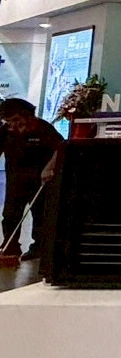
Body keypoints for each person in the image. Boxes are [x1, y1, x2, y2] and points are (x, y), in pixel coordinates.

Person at [0, 98, 63, 261]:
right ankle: (10, 248)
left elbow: (60, 148)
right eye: (8, 121)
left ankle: (38, 248)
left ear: (27, 115)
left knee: (40, 214)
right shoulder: (6, 131)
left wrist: (49, 167)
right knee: (10, 214)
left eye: (16, 120)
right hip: (15, 178)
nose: (12, 125)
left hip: (40, 179)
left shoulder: (43, 129)